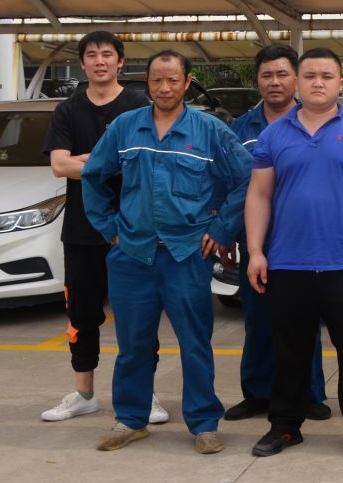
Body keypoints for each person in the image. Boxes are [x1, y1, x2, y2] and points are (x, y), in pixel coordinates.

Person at [81, 50, 251, 454]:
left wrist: (221, 229)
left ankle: (204, 423)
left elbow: (247, 178)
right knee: (133, 344)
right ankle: (131, 419)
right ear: (147, 82)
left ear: (187, 82)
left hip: (186, 254)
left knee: (195, 343)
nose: (164, 87)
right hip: (132, 254)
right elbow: (92, 175)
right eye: (157, 80)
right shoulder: (126, 127)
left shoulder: (209, 130)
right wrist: (109, 229)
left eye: (173, 80)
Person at [245, 48, 343, 460]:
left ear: (340, 83)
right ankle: (285, 426)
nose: (318, 82)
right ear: (297, 81)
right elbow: (259, 195)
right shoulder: (274, 135)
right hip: (287, 262)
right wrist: (256, 251)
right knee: (288, 351)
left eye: (327, 76)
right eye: (309, 75)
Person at [40, 30, 164, 426]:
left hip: (133, 227)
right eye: (91, 55)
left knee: (138, 314)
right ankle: (84, 394)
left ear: (120, 62)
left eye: (107, 54)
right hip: (81, 229)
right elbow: (59, 165)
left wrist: (87, 162)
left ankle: (145, 395)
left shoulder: (139, 105)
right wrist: (111, 160)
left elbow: (144, 160)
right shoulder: (68, 109)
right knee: (82, 313)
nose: (100, 61)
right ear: (82, 63)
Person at [225, 44, 330, 424]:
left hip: (304, 239)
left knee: (305, 320)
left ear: (296, 79)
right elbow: (231, 184)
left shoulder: (315, 123)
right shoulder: (240, 129)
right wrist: (226, 232)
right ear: (257, 80)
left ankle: (310, 393)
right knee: (257, 319)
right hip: (256, 239)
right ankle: (257, 393)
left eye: (283, 74)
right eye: (267, 75)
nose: (275, 82)